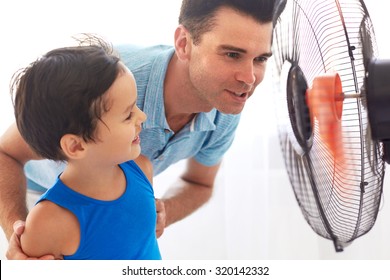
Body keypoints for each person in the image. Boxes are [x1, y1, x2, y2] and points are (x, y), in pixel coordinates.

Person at [1, 0, 285, 259]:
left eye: (260, 59)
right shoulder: (110, 82)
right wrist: (20, 234)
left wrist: (164, 213)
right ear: (184, 43)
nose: (249, 79)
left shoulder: (225, 104)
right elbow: (5, 153)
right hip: (35, 196)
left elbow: (201, 183)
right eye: (233, 54)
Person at [8, 36, 161, 260]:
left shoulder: (142, 168)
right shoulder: (48, 222)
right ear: (76, 145)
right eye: (128, 114)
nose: (142, 117)